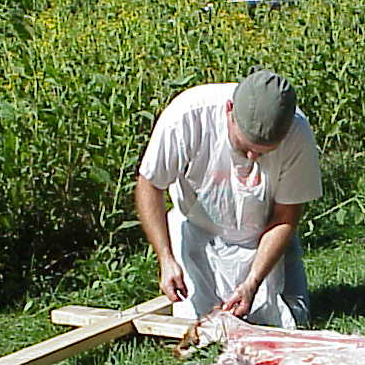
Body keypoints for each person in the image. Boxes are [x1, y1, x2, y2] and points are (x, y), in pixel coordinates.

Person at [135, 68, 322, 328]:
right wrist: (166, 259)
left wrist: (252, 283)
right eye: (246, 147)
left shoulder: (298, 133)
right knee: (198, 326)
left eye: (264, 152)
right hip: (198, 233)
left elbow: (285, 216)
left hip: (264, 236)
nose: (252, 159)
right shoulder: (187, 117)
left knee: (292, 323)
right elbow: (150, 184)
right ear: (229, 110)